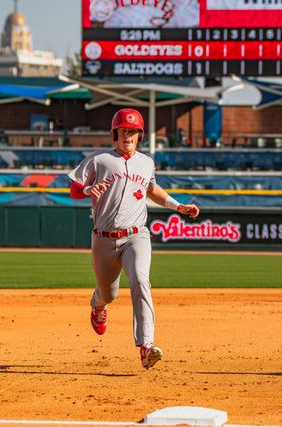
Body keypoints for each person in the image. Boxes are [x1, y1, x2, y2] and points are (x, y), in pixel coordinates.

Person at [68, 108, 200, 369]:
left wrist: (178, 206)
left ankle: (146, 346)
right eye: (123, 131)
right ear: (114, 133)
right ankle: (98, 305)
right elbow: (73, 189)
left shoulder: (146, 162)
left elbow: (152, 189)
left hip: (136, 235)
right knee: (109, 294)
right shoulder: (99, 160)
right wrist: (86, 189)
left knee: (140, 280)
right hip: (104, 239)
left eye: (133, 131)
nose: (127, 135)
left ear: (140, 135)